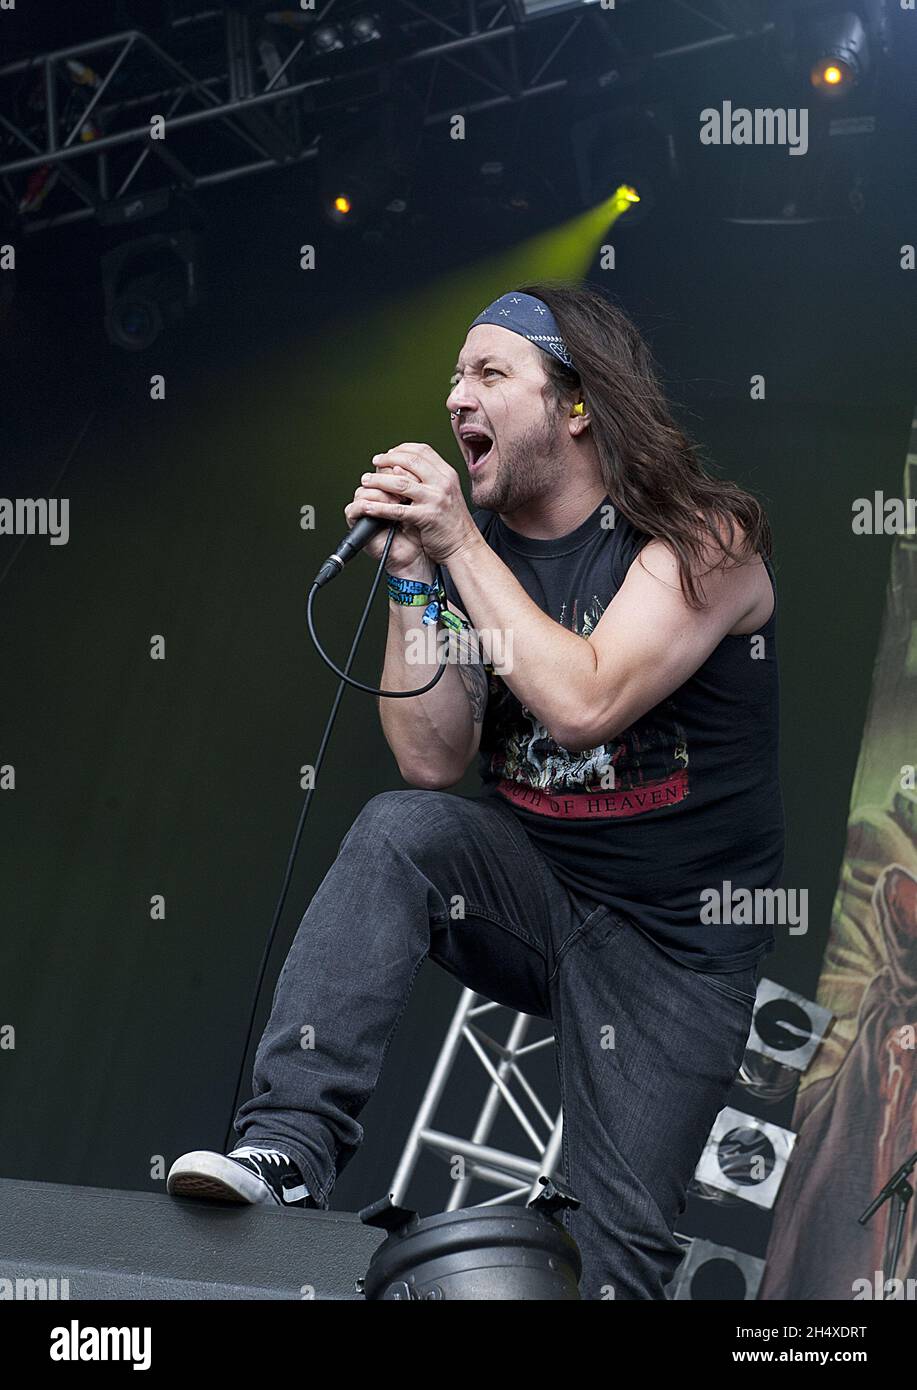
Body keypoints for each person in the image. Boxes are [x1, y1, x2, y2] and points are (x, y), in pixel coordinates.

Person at [167, 283, 784, 1300]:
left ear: (576, 403)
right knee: (401, 829)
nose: (457, 395)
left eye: (489, 372)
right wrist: (415, 575)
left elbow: (584, 701)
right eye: (454, 374)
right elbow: (431, 755)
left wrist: (457, 545)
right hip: (538, 893)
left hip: (675, 951)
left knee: (608, 1265)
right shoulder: (476, 561)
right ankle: (287, 1148)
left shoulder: (702, 539)